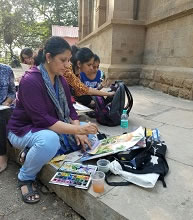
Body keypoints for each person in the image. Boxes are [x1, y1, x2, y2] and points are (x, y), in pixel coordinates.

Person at [7, 36, 98, 204]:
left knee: (91, 136)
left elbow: (70, 111)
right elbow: (43, 120)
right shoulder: (30, 80)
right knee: (50, 141)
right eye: (63, 60)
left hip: (47, 128)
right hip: (24, 130)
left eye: (69, 60)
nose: (67, 65)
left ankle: (31, 151)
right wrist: (77, 130)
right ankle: (25, 177)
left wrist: (79, 130)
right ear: (48, 57)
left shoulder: (61, 80)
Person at [0, 64, 16, 172]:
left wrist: (6, 102)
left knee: (1, 116)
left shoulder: (6, 70)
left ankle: (2, 155)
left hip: (3, 106)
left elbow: (12, 92)